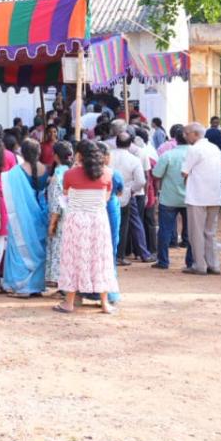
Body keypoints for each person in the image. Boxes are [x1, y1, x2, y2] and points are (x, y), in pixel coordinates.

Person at [55, 140, 118, 314]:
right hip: (98, 219)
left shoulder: (69, 174)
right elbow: (106, 198)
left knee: (73, 259)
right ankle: (105, 303)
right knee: (101, 259)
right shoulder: (107, 173)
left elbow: (66, 194)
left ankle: (69, 302)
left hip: (76, 220)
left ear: (79, 155)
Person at [0, 139, 49, 297]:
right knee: (38, 249)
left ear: (22, 152)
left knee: (19, 248)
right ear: (39, 152)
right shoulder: (44, 169)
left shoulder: (16, 172)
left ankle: (21, 285)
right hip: (40, 215)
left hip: (22, 217)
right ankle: (36, 285)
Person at [181, 121, 221, 275]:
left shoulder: (194, 149)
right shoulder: (215, 149)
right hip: (214, 195)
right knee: (210, 232)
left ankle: (199, 265)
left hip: (197, 196)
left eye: (187, 134)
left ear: (195, 134)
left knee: (196, 233)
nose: (185, 137)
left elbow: (184, 172)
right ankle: (214, 264)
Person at [152, 125, 190, 270]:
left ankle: (163, 261)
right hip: (190, 198)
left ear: (175, 139)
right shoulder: (195, 154)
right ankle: (191, 261)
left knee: (165, 230)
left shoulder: (168, 155)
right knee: (192, 231)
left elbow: (156, 174)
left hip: (169, 198)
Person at [111, 132, 151, 264]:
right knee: (126, 225)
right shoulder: (133, 159)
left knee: (110, 224)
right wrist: (131, 190)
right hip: (127, 195)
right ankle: (122, 256)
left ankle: (113, 255)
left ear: (116, 142)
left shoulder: (108, 156)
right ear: (130, 144)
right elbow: (141, 181)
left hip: (107, 194)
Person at [44, 140, 74, 288]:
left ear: (55, 156)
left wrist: (52, 223)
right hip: (71, 216)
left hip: (60, 218)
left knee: (57, 249)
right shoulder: (72, 172)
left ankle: (58, 280)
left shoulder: (57, 176)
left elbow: (57, 202)